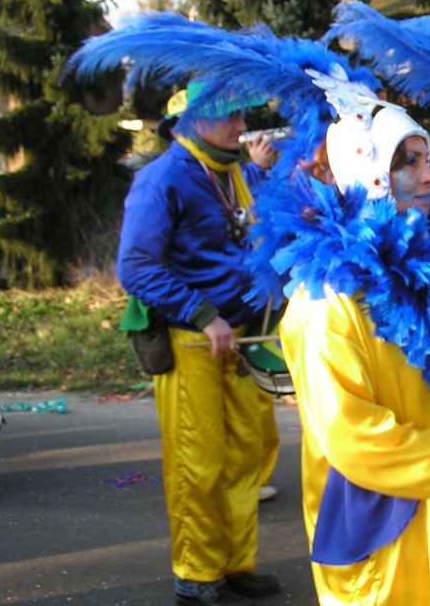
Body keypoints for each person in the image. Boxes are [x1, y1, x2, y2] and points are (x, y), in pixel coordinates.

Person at [275, 86, 430, 605]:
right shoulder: (325, 302)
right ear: (368, 175)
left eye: (427, 160)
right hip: (388, 552)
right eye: (409, 163)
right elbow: (351, 437)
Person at [117, 81, 280, 606]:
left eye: (241, 115)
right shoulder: (161, 179)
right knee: (198, 461)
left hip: (243, 336)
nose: (241, 126)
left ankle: (234, 564)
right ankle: (196, 574)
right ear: (191, 123)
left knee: (245, 456)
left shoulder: (236, 173)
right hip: (192, 341)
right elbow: (136, 266)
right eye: (230, 116)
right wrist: (203, 315)